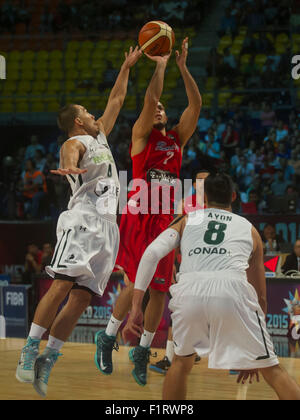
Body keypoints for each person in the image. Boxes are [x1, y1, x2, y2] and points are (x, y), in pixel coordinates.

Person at [15, 46, 142, 398]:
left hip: (108, 228)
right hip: (83, 220)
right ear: (78, 121)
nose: (92, 113)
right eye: (87, 111)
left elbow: (116, 99)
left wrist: (126, 66)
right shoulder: (76, 140)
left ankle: (49, 358)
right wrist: (69, 165)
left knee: (82, 298)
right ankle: (29, 349)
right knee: (59, 287)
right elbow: (69, 153)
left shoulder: (99, 135)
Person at [123, 173, 300, 400]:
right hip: (232, 291)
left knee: (180, 364)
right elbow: (260, 296)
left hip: (189, 292)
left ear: (204, 196)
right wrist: (254, 346)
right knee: (273, 371)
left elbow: (150, 255)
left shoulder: (186, 219)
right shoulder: (250, 229)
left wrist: (137, 306)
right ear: (234, 196)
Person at [94, 37, 202, 386]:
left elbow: (196, 105)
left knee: (160, 291)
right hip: (141, 213)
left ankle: (142, 350)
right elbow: (151, 99)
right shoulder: (141, 135)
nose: (158, 110)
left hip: (166, 217)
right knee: (133, 282)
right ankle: (109, 334)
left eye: (162, 111)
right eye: (155, 109)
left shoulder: (176, 139)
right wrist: (160, 64)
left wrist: (183, 69)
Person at [150, 169, 210, 374]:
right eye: (199, 180)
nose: (202, 184)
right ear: (194, 184)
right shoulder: (185, 203)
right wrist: (172, 263)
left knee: (197, 311)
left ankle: (190, 351)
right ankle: (169, 356)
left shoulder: (217, 205)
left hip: (209, 266)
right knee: (180, 311)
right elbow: (173, 232)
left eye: (206, 181)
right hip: (186, 265)